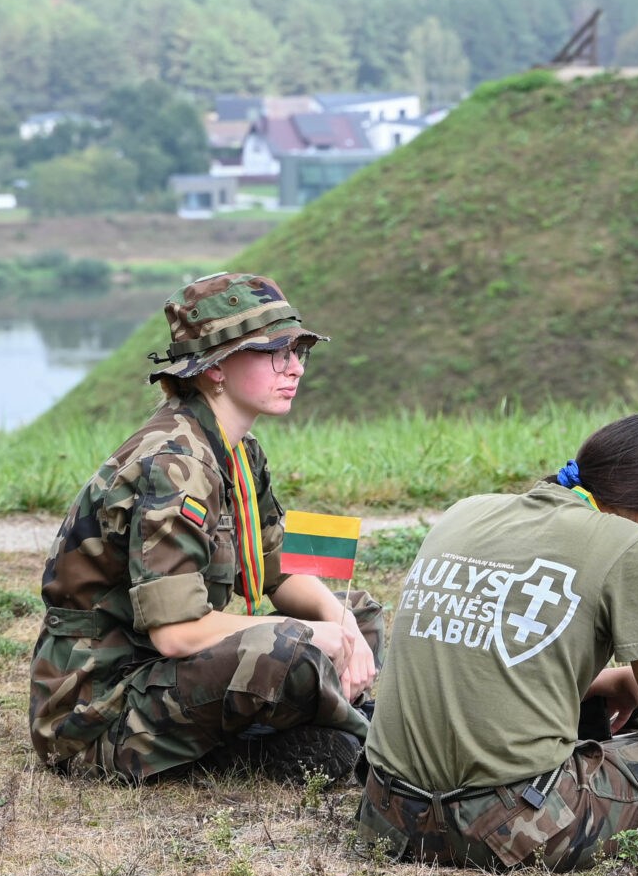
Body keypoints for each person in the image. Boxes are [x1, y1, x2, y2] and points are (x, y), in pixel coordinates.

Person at [356, 414, 638, 869]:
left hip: (389, 815)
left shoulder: (466, 511)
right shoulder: (631, 543)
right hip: (506, 832)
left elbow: (480, 666)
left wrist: (617, 681)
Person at [27, 273, 383, 785]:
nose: (296, 367)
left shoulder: (236, 451)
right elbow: (177, 633)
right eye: (274, 352)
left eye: (299, 350)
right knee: (286, 647)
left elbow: (277, 570)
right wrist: (311, 635)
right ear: (214, 368)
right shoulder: (175, 462)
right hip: (99, 715)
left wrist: (338, 620)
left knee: (358, 612)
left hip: (165, 684)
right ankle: (360, 740)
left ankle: (305, 738)